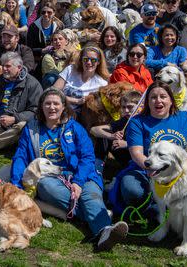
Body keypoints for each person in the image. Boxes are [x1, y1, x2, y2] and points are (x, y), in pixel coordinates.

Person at [10, 88, 128, 251]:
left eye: (56, 104)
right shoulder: (31, 129)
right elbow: (20, 157)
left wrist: (79, 182)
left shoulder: (75, 128)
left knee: (90, 194)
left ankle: (105, 233)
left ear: (64, 107)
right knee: (46, 187)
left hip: (82, 174)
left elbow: (87, 157)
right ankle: (95, 218)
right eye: (47, 104)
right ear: (41, 107)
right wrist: (16, 185)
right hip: (50, 177)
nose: (52, 107)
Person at [110, 82, 187, 217]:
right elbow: (137, 154)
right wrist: (153, 171)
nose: (158, 100)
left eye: (163, 96)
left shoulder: (184, 118)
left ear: (171, 100)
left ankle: (165, 208)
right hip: (144, 171)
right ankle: (157, 209)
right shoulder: (137, 122)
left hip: (178, 173)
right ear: (148, 102)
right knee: (132, 191)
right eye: (153, 97)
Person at [90, 90, 140, 166]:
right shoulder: (124, 120)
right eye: (123, 107)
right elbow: (93, 130)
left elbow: (148, 143)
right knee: (104, 133)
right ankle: (98, 167)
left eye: (130, 107)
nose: (126, 111)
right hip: (125, 156)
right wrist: (112, 136)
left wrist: (126, 144)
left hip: (139, 158)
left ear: (140, 106)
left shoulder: (145, 121)